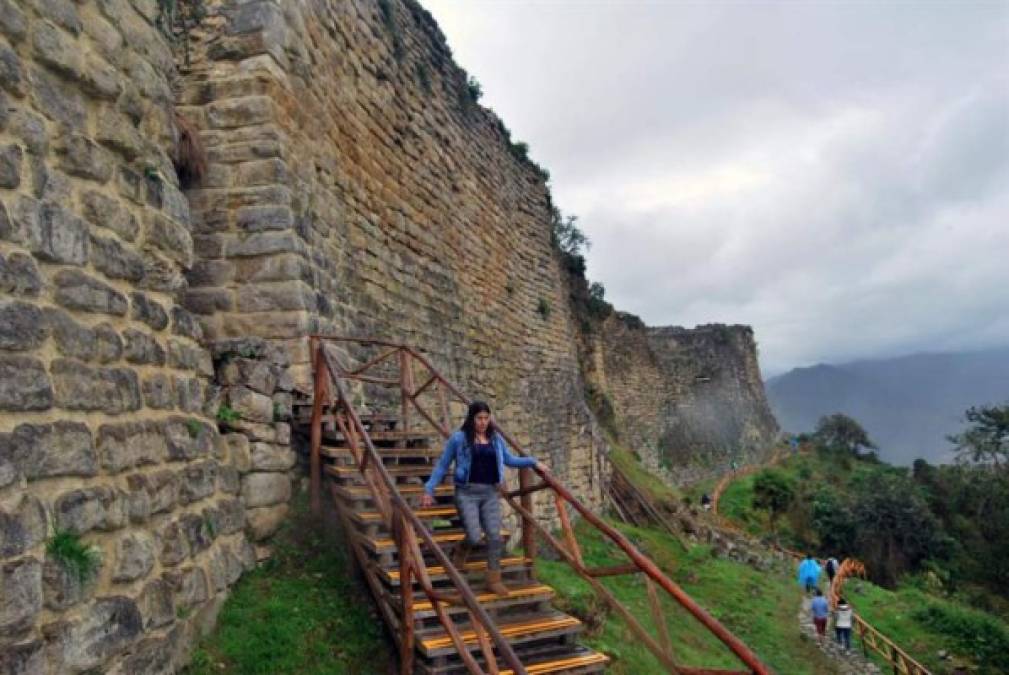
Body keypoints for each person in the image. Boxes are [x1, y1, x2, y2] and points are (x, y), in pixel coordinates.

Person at [422, 401, 549, 597]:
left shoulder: (495, 439)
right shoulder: (459, 439)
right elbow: (442, 465)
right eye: (479, 418)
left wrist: (533, 462)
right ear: (471, 419)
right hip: (466, 493)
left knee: (494, 537)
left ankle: (493, 579)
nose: (482, 422)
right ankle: (461, 550)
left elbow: (509, 460)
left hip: (490, 493)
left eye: (486, 418)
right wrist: (429, 489)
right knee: (474, 536)